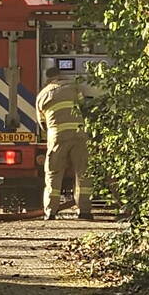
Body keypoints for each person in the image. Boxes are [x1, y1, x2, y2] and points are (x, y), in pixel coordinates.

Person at [35, 66, 92, 220]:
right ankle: (84, 211)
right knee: (83, 173)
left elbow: (42, 123)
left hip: (57, 136)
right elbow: (84, 108)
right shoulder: (73, 87)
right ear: (60, 76)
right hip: (79, 134)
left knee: (53, 173)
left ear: (48, 80)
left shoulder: (42, 95)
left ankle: (50, 212)